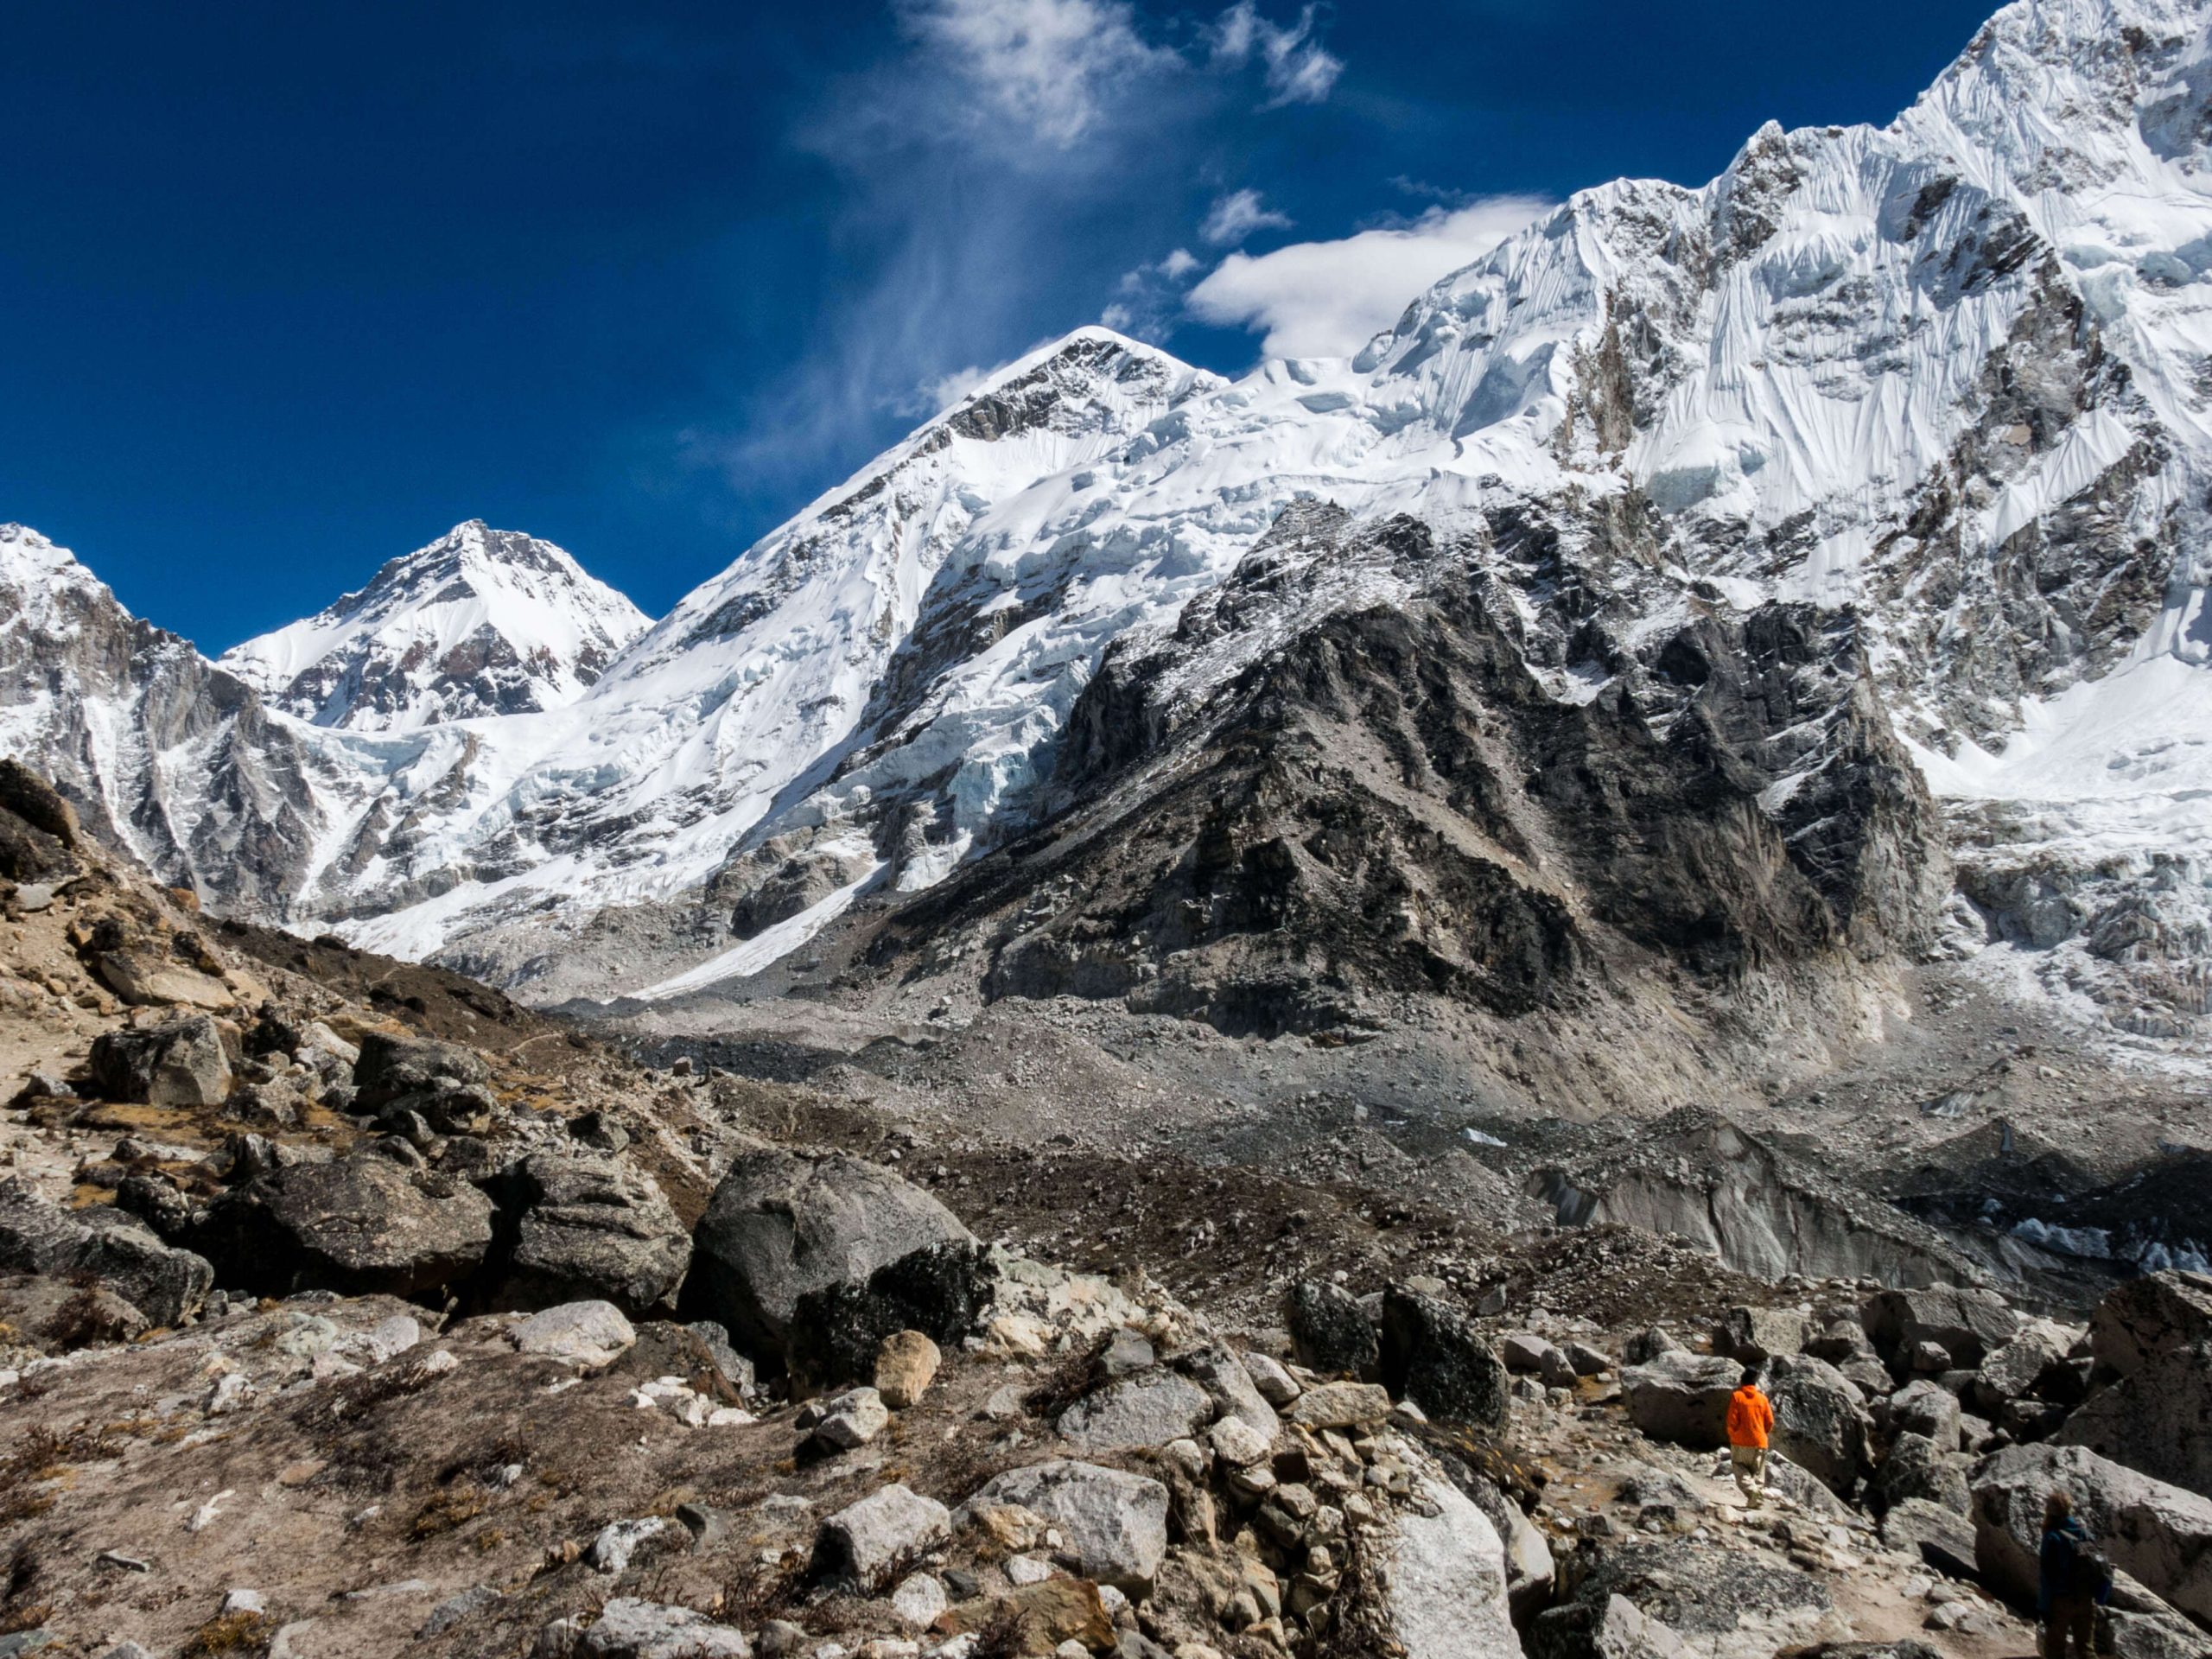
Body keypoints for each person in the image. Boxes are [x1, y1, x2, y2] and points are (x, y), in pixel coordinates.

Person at [2039, 1490, 2104, 1659]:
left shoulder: (2052, 1537)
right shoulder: (2083, 1534)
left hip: (2061, 1601)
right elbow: (2097, 1564)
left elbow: (2047, 1576)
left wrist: (2044, 1607)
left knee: (2054, 1649)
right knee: (2086, 1650)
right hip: (2086, 1600)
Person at [1726, 1365, 1775, 1507]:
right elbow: (1770, 1422)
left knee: (1739, 1467)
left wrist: (1733, 1434)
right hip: (1760, 1442)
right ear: (1754, 1384)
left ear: (1742, 1382)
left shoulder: (1737, 1396)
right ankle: (1756, 1501)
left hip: (1740, 1442)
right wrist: (1762, 1433)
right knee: (1758, 1474)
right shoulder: (1763, 1399)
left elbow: (1732, 1421)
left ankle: (1753, 1493)